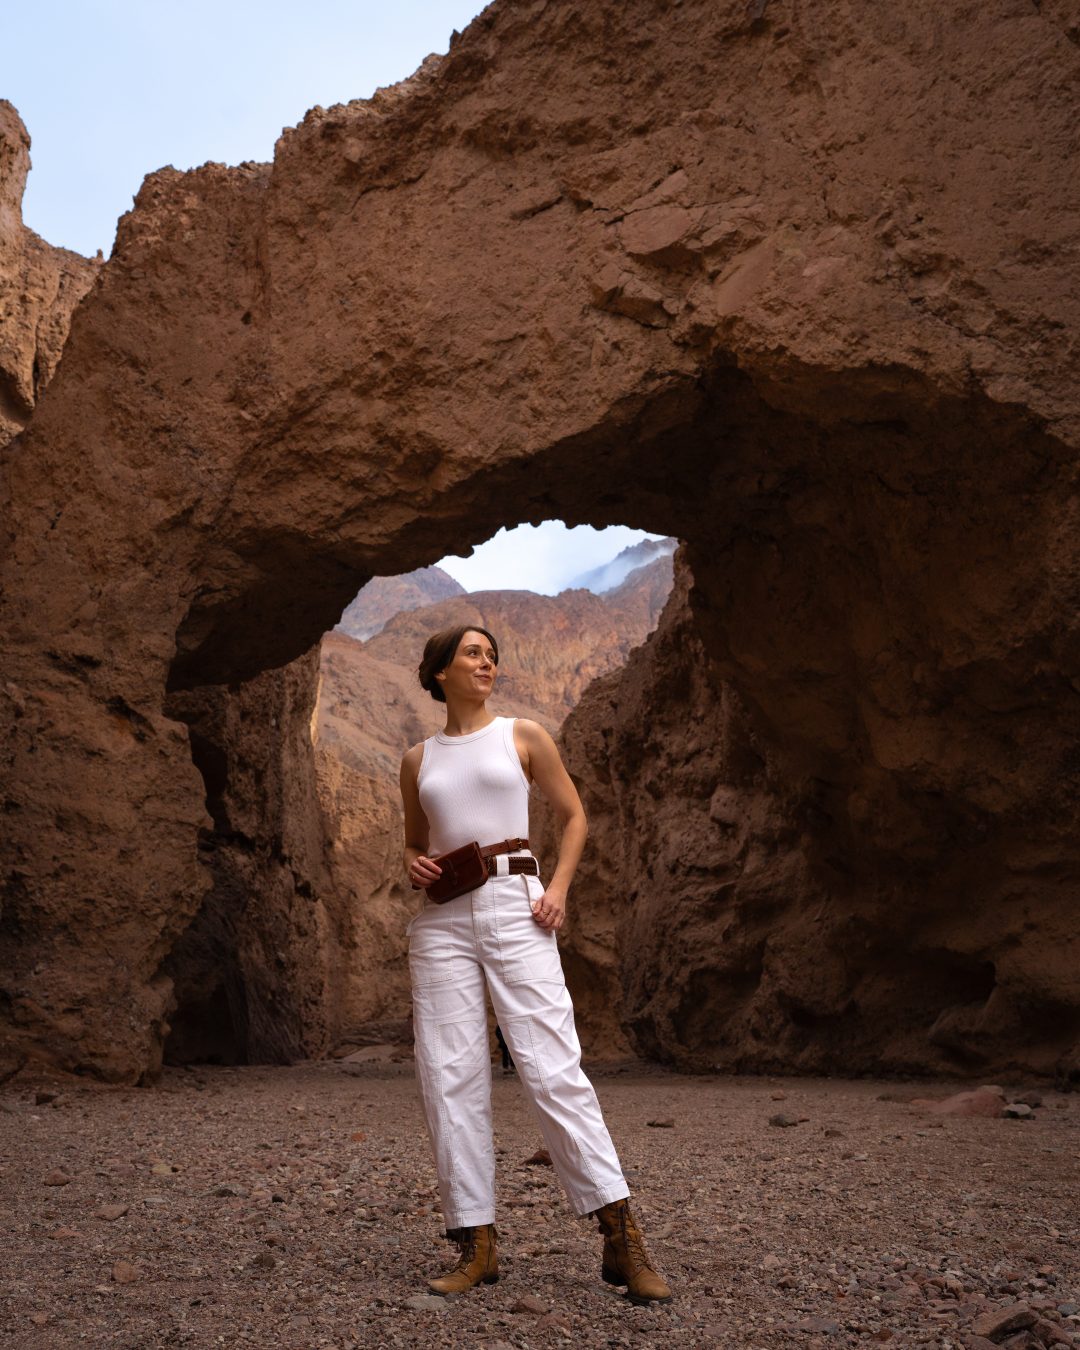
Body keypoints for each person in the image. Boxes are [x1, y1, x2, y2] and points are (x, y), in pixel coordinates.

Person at [399, 624, 672, 1304]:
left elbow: (574, 816)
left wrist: (557, 890)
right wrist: (412, 862)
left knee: (552, 1068)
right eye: (471, 653)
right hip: (441, 920)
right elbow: (413, 843)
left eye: (491, 654)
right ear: (438, 672)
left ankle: (621, 1234)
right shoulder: (416, 759)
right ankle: (476, 1243)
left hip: (517, 903)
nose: (486, 661)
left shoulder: (522, 735)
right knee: (448, 1075)